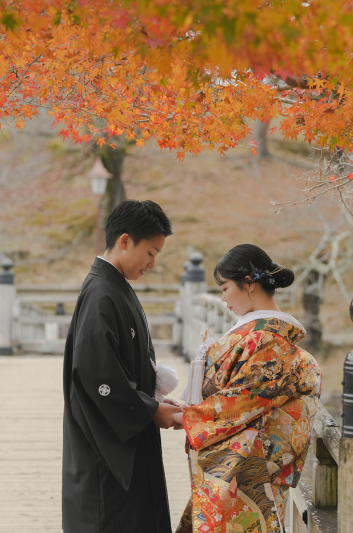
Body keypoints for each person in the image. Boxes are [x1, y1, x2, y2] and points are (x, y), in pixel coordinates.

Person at [174, 244, 323, 533]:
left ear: (250, 284)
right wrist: (195, 408)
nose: (223, 298)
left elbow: (240, 402)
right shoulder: (267, 338)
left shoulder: (268, 342)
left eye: (225, 288)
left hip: (250, 469)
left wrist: (187, 417)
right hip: (246, 464)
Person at [62, 200, 184, 533]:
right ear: (125, 241)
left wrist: (154, 403)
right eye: (151, 253)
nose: (153, 264)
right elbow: (97, 376)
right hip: (105, 450)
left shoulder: (115, 288)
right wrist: (149, 410)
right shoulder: (102, 293)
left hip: (127, 434)